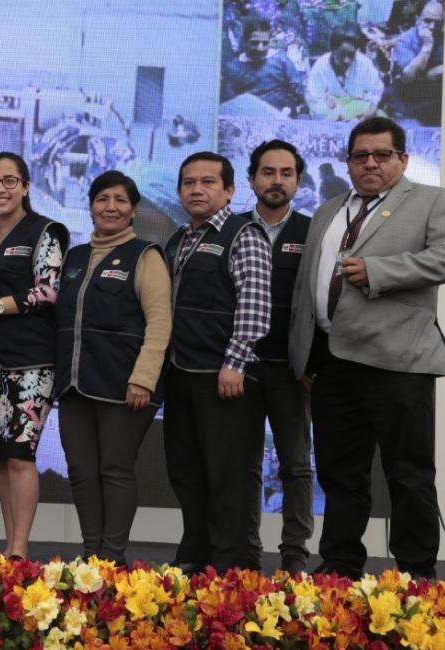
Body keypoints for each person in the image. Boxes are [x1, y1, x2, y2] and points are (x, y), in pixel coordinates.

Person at [289, 117, 445, 579]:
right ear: (347, 162)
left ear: (403, 160)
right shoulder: (329, 210)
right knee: (339, 473)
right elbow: (307, 287)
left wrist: (379, 271)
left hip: (398, 362)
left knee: (408, 475)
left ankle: (416, 574)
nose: (370, 163)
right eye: (360, 156)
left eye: (382, 155)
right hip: (331, 363)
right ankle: (340, 566)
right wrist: (306, 355)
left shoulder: (432, 200)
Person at [54, 171, 171, 563]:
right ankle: (92, 556)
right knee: (82, 472)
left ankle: (113, 558)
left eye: (121, 200)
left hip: (125, 386)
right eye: (102, 199)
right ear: (90, 207)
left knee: (115, 470)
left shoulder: (146, 255)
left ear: (133, 210)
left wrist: (143, 379)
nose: (111, 207)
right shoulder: (73, 258)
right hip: (74, 386)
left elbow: (159, 322)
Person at [163, 152, 271, 573]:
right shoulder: (178, 239)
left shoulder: (244, 234)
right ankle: (197, 557)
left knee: (228, 478)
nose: (196, 190)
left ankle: (231, 570)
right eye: (189, 182)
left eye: (208, 182)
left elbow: (256, 304)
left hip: (225, 377)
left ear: (229, 190)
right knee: (187, 474)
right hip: (182, 375)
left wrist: (236, 362)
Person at [0, 153, 68, 559]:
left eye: (9, 181)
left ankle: (20, 549)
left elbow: (48, 291)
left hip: (32, 362)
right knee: (3, 458)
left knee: (21, 455)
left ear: (25, 185)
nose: (0, 189)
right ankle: (11, 543)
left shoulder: (46, 230)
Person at [239, 140, 314, 575]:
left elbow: (325, 302)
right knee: (244, 464)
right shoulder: (231, 230)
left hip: (292, 370)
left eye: (286, 173)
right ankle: (247, 553)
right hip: (242, 368)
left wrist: (313, 363)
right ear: (252, 179)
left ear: (297, 181)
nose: (277, 181)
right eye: (268, 172)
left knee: (297, 463)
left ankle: (295, 554)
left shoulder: (313, 231)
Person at [220, 17, 305, 115]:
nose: (260, 48)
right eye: (255, 43)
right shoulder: (233, 68)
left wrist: (293, 108)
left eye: (265, 43)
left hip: (282, 117)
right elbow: (229, 105)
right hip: (248, 120)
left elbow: (300, 93)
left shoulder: (281, 60)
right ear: (244, 41)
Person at [305, 25, 384, 121]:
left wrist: (370, 111)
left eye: (351, 55)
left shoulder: (364, 63)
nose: (347, 60)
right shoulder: (320, 67)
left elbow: (375, 92)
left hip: (359, 113)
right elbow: (314, 101)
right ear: (333, 50)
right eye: (342, 54)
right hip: (331, 116)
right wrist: (337, 111)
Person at [390, 0, 444, 125]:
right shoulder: (405, 41)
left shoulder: (444, 39)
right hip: (408, 104)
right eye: (427, 21)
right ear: (417, 19)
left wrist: (422, 76)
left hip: (435, 104)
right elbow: (408, 77)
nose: (432, 27)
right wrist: (427, 46)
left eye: (438, 23)